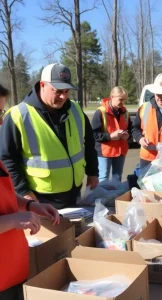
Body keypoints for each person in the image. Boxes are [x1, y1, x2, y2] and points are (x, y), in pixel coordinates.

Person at [0, 63, 99, 209]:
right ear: (42, 85)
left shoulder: (76, 110)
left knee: (75, 231)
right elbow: (7, 158)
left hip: (74, 192)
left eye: (67, 91)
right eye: (57, 91)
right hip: (40, 198)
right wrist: (23, 191)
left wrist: (92, 171)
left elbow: (89, 143)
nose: (63, 96)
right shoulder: (18, 115)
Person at [0, 84, 60, 300]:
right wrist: (14, 220)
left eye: (1, 113)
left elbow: (4, 198)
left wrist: (29, 205)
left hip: (14, 272)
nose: (0, 122)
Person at [91, 86, 132, 181]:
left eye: (124, 100)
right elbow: (93, 134)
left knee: (117, 178)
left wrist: (127, 135)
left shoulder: (125, 112)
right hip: (105, 152)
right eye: (120, 99)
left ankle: (115, 196)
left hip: (121, 151)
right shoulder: (101, 112)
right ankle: (101, 196)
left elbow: (130, 129)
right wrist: (110, 136)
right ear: (112, 97)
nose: (122, 103)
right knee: (103, 178)